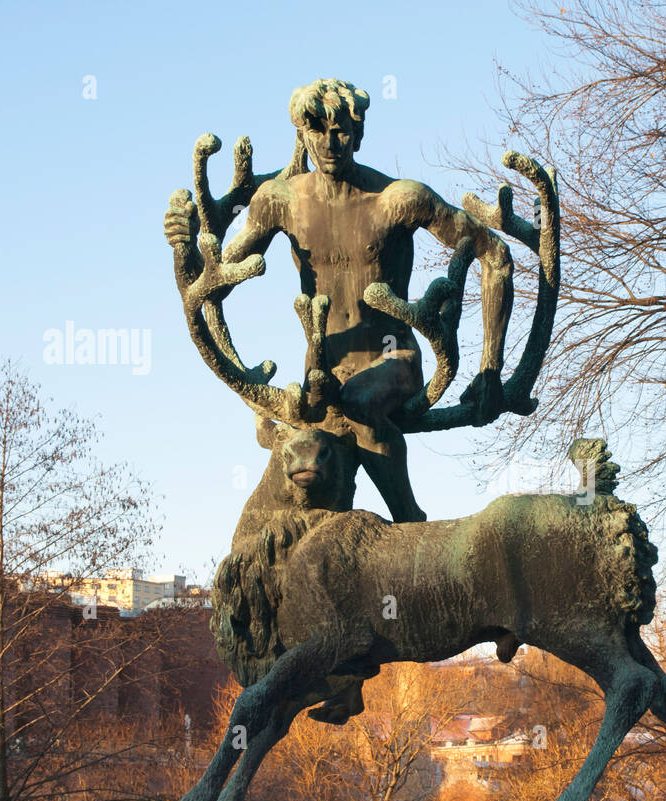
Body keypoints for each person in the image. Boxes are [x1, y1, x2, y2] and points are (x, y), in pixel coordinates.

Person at [166, 78, 514, 522]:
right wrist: (185, 247)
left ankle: (408, 520)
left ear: (360, 132)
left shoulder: (397, 200)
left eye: (342, 130)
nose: (330, 142)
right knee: (305, 480)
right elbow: (216, 279)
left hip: (392, 363)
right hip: (322, 375)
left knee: (355, 403)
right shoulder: (280, 202)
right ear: (301, 133)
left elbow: (495, 256)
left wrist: (490, 370)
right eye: (317, 130)